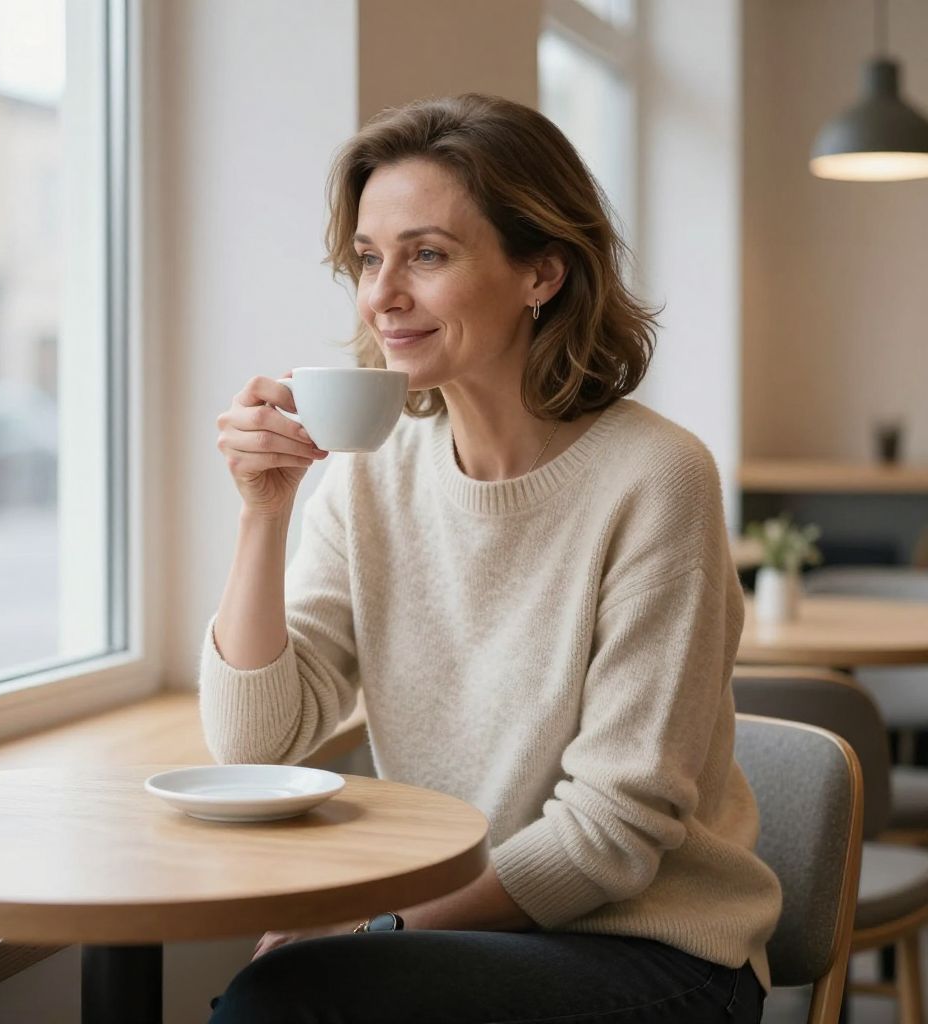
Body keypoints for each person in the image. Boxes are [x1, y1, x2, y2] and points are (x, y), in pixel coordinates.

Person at [201, 93, 781, 1023]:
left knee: (283, 1004)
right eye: (366, 257)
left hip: (650, 954)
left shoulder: (657, 477)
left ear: (541, 272)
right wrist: (263, 514)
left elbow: (610, 837)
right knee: (277, 997)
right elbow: (255, 741)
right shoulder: (370, 474)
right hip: (461, 932)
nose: (381, 294)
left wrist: (381, 925)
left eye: (426, 255)